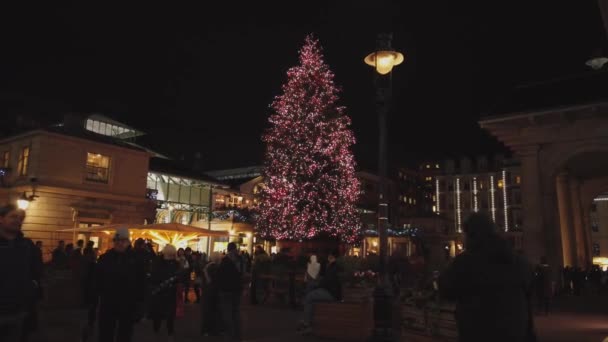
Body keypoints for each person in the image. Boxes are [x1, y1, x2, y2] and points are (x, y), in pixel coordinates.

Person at [439, 213, 536, 342]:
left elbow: (446, 290)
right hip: (515, 331)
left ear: (470, 234)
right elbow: (528, 293)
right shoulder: (518, 261)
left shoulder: (465, 262)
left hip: (478, 331)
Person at [0, 204, 42, 342]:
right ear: (1, 219)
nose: (18, 220)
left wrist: (33, 288)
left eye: (20, 218)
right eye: (13, 216)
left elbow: (37, 272)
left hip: (19, 311)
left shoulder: (28, 245)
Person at [96, 227, 146, 342]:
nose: (119, 243)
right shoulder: (105, 258)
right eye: (116, 240)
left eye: (122, 240)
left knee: (125, 333)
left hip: (128, 303)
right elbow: (98, 280)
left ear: (128, 241)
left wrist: (140, 305)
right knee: (105, 332)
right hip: (108, 302)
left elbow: (141, 283)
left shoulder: (136, 260)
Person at [298, 250, 342, 334]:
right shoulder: (334, 266)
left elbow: (326, 282)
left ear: (331, 257)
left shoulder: (333, 267)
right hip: (332, 292)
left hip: (331, 293)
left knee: (309, 296)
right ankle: (306, 320)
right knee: (310, 293)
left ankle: (307, 323)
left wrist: (318, 285)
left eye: (329, 256)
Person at [148, 244, 181, 341]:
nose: (171, 257)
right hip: (160, 291)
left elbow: (178, 276)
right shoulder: (158, 262)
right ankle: (157, 329)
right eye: (170, 255)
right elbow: (154, 277)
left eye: (172, 255)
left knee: (170, 314)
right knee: (158, 313)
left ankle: (169, 331)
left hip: (170, 292)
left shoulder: (175, 263)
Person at [217, 242, 243, 341]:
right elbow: (242, 273)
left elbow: (220, 275)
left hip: (226, 290)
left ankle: (230, 335)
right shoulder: (240, 260)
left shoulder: (225, 261)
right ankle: (237, 335)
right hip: (237, 289)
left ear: (228, 249)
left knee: (227, 313)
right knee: (236, 312)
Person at [80, 246, 98, 342]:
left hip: (87, 290)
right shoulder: (91, 265)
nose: (95, 254)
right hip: (91, 291)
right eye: (94, 253)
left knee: (89, 312)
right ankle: (87, 331)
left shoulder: (85, 263)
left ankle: (87, 329)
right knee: (89, 311)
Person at [201, 252, 221, 336]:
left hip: (207, 291)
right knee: (214, 311)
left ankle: (206, 330)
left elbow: (205, 280)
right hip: (214, 291)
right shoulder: (216, 267)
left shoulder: (207, 266)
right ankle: (213, 329)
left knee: (207, 311)